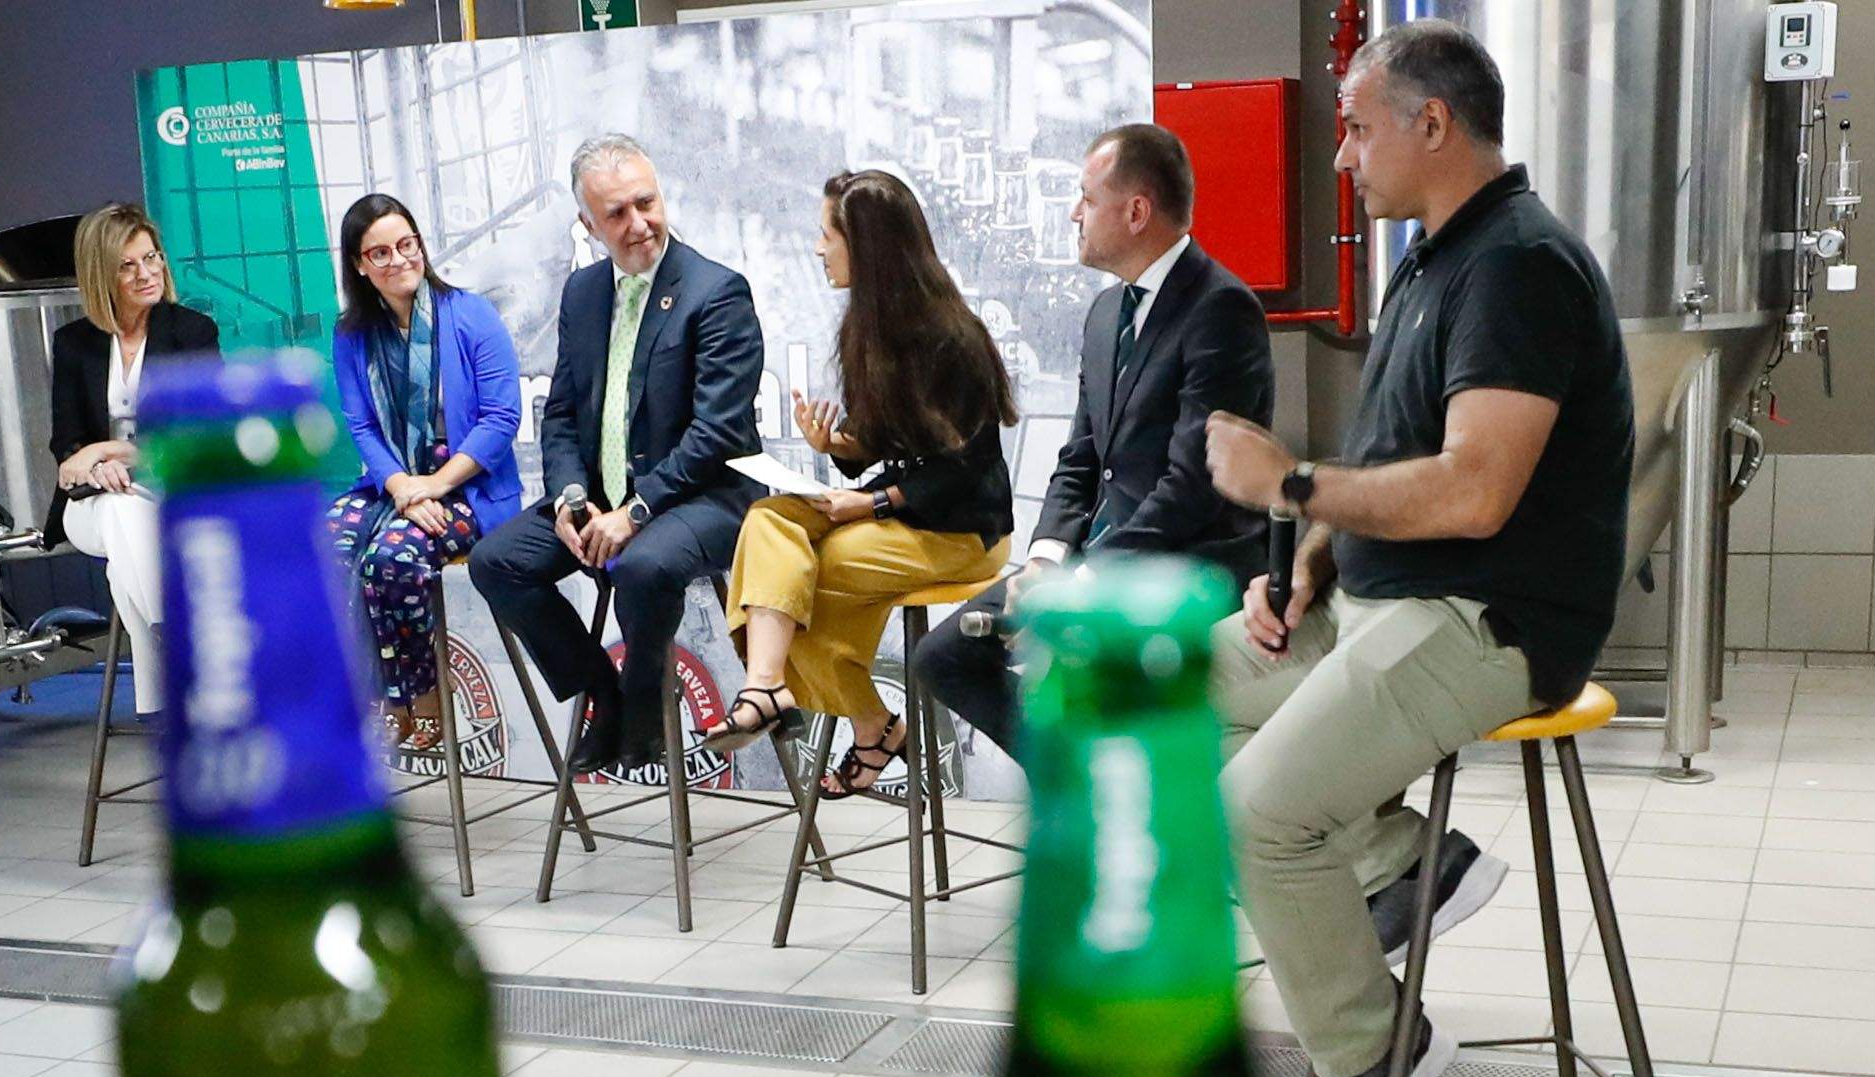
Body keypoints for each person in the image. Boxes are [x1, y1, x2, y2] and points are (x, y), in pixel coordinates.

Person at [1200, 19, 1632, 1077]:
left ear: (1429, 123)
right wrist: (1302, 564)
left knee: (1255, 810)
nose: (1340, 156)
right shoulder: (1435, 254)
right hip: (1384, 599)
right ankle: (1400, 861)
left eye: (1352, 128)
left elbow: (1474, 492)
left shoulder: (1516, 267)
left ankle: (1367, 1048)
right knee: (1167, 687)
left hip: (1486, 619)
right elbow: (1395, 451)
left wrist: (1287, 481)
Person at [909, 122, 1277, 750]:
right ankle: (1083, 787)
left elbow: (1194, 487)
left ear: (1137, 211)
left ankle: (1123, 798)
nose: (1073, 213)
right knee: (944, 657)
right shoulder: (1107, 313)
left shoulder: (1220, 308)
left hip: (1184, 563)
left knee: (1085, 674)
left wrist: (1080, 582)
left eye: (1086, 197)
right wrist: (1048, 557)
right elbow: (1080, 459)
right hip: (1092, 559)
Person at [701, 169, 1016, 803]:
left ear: (865, 246)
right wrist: (837, 447)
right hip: (900, 514)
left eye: (827, 235)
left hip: (961, 532)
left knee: (800, 584)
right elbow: (892, 444)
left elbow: (962, 473)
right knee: (767, 523)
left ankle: (862, 723)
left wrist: (869, 501)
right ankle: (770, 687)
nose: (818, 249)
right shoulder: (869, 329)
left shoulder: (951, 339)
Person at [468, 135, 767, 773]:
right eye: (617, 214)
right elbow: (562, 414)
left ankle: (639, 705)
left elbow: (716, 433)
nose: (639, 224)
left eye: (646, 203)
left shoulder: (717, 292)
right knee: (496, 563)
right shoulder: (582, 293)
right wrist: (572, 501)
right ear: (588, 225)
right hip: (601, 495)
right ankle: (602, 689)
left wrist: (633, 511)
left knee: (641, 564)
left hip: (706, 497)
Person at [326, 194, 525, 751]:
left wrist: (433, 486)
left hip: (468, 488)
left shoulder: (471, 314)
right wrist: (403, 489)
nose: (398, 260)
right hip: (397, 486)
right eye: (380, 252)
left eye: (406, 245)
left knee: (391, 557)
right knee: (330, 544)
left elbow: (501, 417)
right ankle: (367, 694)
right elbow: (361, 426)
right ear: (360, 265)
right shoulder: (350, 335)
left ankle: (422, 695)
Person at [47, 203, 220, 711]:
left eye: (152, 258)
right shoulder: (74, 343)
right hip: (90, 504)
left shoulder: (192, 332)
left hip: (172, 492)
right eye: (128, 265)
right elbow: (66, 441)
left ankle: (159, 701)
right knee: (123, 511)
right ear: (102, 273)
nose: (147, 273)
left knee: (129, 551)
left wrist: (108, 450)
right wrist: (96, 465)